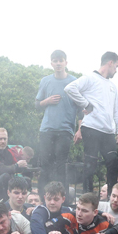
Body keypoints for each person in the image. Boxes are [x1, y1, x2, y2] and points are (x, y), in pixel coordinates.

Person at [66, 52, 118, 193]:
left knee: (113, 162)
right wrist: (86, 104)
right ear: (110, 62)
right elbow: (69, 88)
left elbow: (116, 110)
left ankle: (112, 196)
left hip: (108, 131)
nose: (116, 71)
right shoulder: (90, 78)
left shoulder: (113, 86)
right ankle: (87, 197)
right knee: (90, 164)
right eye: (116, 67)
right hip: (91, 127)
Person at [35, 50, 79, 192]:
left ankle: (61, 198)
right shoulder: (45, 81)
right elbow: (36, 105)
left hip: (65, 130)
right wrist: (46, 101)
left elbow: (80, 108)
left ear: (66, 62)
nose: (58, 63)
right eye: (55, 60)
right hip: (47, 129)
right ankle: (43, 199)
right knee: (45, 165)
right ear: (51, 63)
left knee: (61, 166)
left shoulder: (74, 82)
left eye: (61, 60)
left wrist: (80, 129)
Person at [0, 129, 31, 202]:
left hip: (6, 183)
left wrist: (23, 166)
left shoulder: (9, 152)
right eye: (0, 139)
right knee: (5, 176)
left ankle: (22, 202)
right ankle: (8, 204)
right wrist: (17, 166)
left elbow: (16, 167)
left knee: (26, 180)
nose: (3, 141)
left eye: (5, 139)